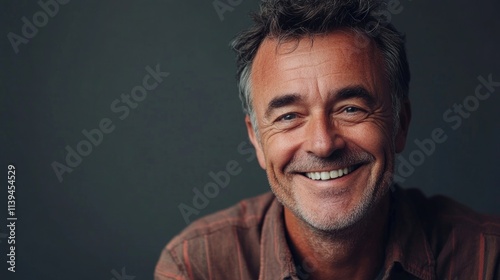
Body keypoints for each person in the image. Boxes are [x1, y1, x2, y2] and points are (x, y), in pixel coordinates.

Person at [155, 0, 500, 279]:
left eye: (350, 109)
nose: (322, 144)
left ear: (400, 125)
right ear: (257, 140)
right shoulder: (197, 266)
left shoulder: (487, 260)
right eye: (289, 116)